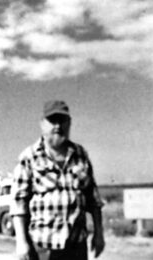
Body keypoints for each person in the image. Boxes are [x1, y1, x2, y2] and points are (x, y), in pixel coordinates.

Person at [11, 100, 105, 260]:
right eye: (52, 120)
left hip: (76, 247)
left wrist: (99, 234)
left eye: (62, 120)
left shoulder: (80, 155)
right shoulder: (29, 157)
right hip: (43, 248)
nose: (57, 126)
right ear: (42, 124)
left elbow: (93, 200)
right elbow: (19, 203)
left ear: (69, 123)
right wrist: (21, 242)